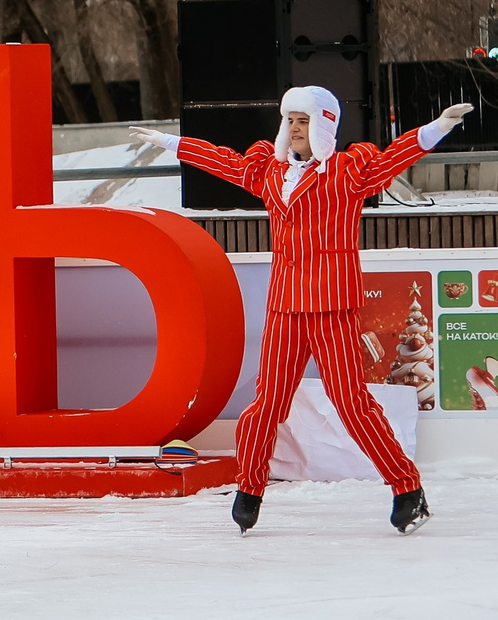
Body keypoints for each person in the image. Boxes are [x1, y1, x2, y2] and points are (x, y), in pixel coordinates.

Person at [136, 88, 471, 534]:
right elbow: (225, 161)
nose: (294, 129)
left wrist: (438, 128)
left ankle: (407, 487)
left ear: (324, 125)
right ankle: (249, 488)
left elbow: (392, 158)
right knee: (266, 403)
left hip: (332, 306)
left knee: (351, 404)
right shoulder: (272, 174)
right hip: (286, 307)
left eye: (303, 120)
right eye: (290, 120)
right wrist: (171, 142)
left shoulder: (348, 172)